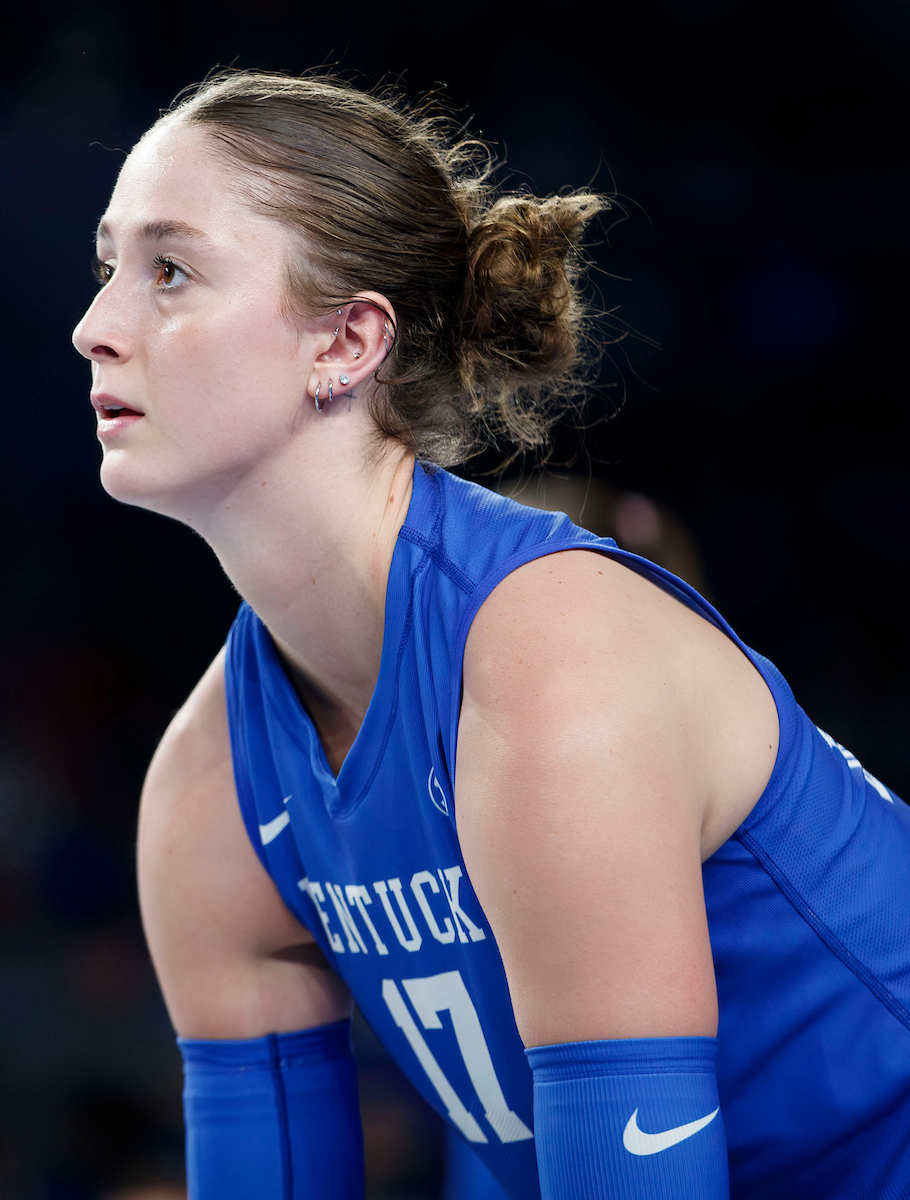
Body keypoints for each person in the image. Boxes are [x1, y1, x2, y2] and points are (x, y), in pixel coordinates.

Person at [71, 70, 910, 1200]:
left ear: (347, 342)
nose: (95, 328)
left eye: (169, 272)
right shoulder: (210, 786)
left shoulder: (554, 661)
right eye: (107, 269)